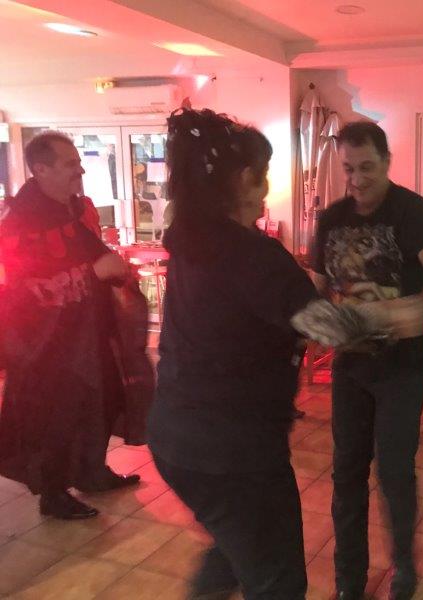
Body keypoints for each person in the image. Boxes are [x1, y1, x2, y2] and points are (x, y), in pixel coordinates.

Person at [147, 108, 317, 599]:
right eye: (263, 175)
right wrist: (403, 312)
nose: (266, 189)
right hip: (233, 450)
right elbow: (330, 327)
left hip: (176, 438)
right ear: (245, 179)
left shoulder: (191, 239)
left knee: (234, 546)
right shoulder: (251, 253)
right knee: (277, 581)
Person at [310, 121, 423, 600]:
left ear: (387, 161)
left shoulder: (410, 210)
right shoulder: (331, 218)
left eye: (367, 167)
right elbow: (316, 288)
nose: (356, 179)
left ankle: (404, 567)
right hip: (350, 366)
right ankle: (348, 580)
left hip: (400, 368)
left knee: (394, 473)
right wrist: (315, 319)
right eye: (349, 169)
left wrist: (418, 306)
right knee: (347, 474)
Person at [0, 132, 141, 520]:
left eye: (79, 162)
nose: (80, 170)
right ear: (41, 169)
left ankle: (92, 471)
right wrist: (94, 273)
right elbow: (26, 291)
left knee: (100, 401)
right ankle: (53, 493)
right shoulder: (20, 222)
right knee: (55, 416)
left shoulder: (70, 208)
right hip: (47, 344)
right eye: (70, 164)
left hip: (87, 333)